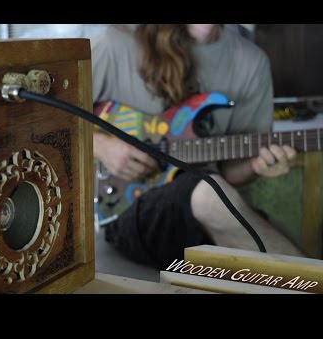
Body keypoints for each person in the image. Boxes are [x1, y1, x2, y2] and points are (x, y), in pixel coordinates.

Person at [91, 24, 305, 269]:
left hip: (202, 207)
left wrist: (255, 165)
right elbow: (42, 114)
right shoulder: (116, 42)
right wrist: (101, 146)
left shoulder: (251, 62)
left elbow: (229, 173)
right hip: (123, 209)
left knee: (219, 195)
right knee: (208, 191)